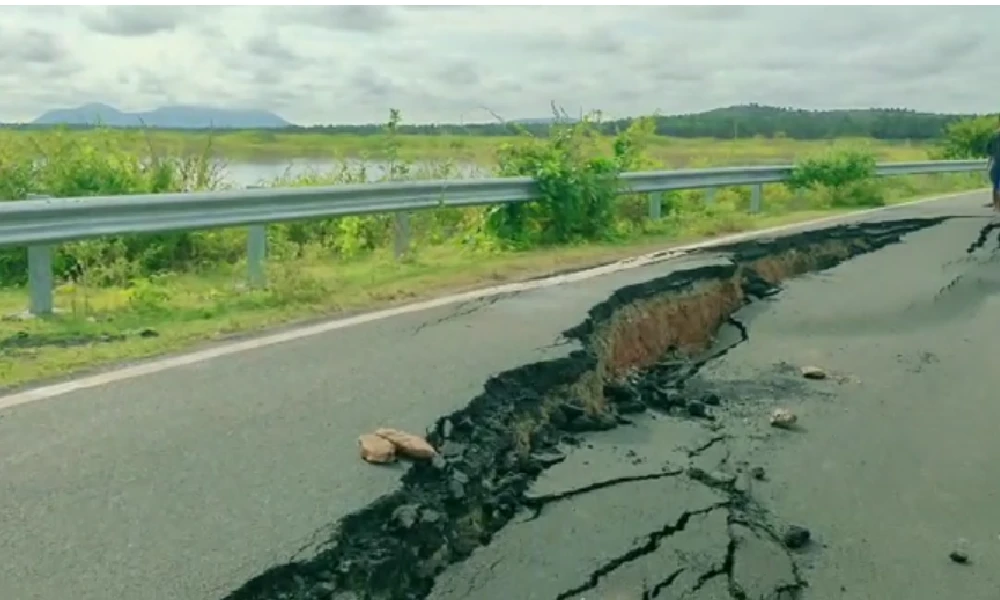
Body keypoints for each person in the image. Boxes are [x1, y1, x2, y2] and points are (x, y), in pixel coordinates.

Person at [988, 116, 1000, 211]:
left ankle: (996, 205)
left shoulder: (994, 135)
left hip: (996, 162)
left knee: (996, 184)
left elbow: (989, 150)